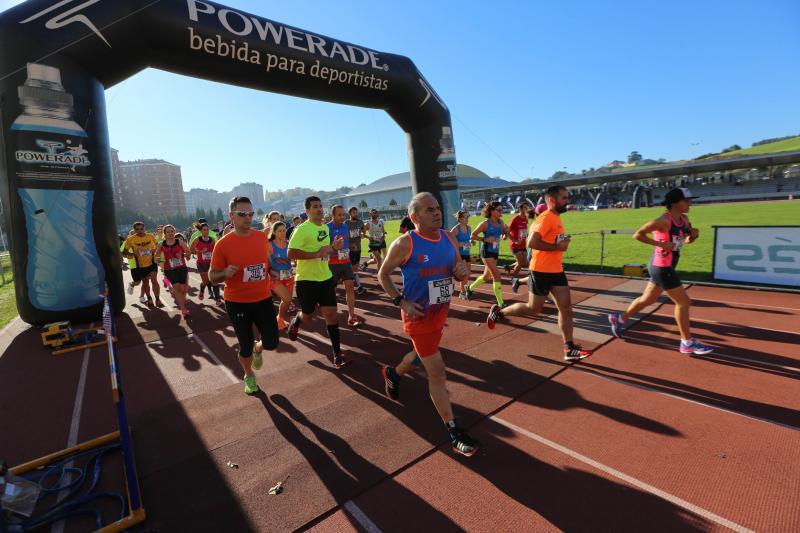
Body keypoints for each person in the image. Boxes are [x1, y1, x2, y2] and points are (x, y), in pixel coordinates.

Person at [378, 192, 480, 457]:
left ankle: (394, 373)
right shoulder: (404, 244)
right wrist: (400, 301)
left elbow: (460, 268)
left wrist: (462, 272)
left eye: (437, 208)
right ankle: (454, 431)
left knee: (423, 356)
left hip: (440, 311)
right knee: (437, 371)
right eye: (429, 209)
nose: (437, 212)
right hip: (418, 315)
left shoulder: (448, 237)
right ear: (414, 217)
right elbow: (383, 274)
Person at [485, 186, 592, 362]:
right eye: (564, 198)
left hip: (556, 270)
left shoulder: (556, 219)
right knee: (533, 309)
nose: (568, 201)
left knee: (566, 308)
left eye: (567, 197)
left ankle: (569, 348)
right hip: (540, 271)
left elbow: (551, 242)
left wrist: (562, 242)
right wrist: (558, 247)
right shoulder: (546, 218)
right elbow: (532, 242)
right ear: (552, 200)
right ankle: (500, 312)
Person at [608, 187, 713, 355]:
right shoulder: (663, 220)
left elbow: (686, 240)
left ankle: (619, 319)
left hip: (666, 265)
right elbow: (638, 235)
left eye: (690, 200)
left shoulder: (684, 220)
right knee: (684, 303)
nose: (690, 203)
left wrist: (693, 235)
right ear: (675, 202)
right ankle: (687, 342)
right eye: (687, 200)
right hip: (661, 266)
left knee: (647, 299)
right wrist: (662, 244)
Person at [209, 196, 279, 395]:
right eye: (242, 214)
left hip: (263, 298)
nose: (248, 218)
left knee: (272, 342)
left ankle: (259, 349)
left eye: (251, 213)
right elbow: (212, 277)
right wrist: (224, 273)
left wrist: (271, 270)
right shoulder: (223, 244)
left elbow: (265, 260)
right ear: (231, 216)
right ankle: (248, 374)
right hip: (237, 302)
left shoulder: (260, 237)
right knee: (245, 345)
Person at [287, 196, 350, 368]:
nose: (320, 209)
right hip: (306, 281)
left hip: (325, 278)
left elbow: (324, 250)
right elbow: (291, 253)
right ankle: (297, 320)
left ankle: (337, 353)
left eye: (321, 206)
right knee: (307, 315)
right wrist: (315, 254)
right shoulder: (301, 229)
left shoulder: (324, 227)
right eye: (315, 206)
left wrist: (333, 247)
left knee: (331, 315)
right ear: (307, 211)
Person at [465, 201, 508, 307]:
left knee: (486, 276)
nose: (500, 212)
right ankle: (501, 304)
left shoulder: (501, 222)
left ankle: (469, 288)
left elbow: (503, 236)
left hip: (495, 251)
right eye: (498, 210)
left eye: (501, 210)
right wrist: (485, 239)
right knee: (497, 275)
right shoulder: (485, 223)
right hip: (486, 252)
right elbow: (472, 235)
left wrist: (506, 233)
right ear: (492, 211)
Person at [328, 205, 365, 326]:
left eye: (343, 214)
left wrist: (350, 247)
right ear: (332, 215)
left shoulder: (345, 226)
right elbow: (323, 248)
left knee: (350, 287)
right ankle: (331, 316)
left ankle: (351, 316)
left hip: (346, 262)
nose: (342, 217)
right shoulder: (327, 228)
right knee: (332, 292)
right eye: (339, 215)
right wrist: (333, 248)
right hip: (332, 264)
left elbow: (346, 241)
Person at [123, 221, 164, 308]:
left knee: (154, 280)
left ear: (144, 228)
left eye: (141, 228)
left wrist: (155, 251)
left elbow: (158, 245)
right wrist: (132, 254)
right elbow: (124, 251)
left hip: (151, 262)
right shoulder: (130, 239)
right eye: (137, 229)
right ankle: (149, 298)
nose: (140, 231)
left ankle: (157, 299)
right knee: (145, 282)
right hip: (140, 264)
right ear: (134, 230)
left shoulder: (150, 236)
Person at [155, 225, 191, 318]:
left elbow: (188, 252)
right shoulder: (161, 244)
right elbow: (156, 256)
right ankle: (183, 310)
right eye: (168, 232)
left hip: (181, 268)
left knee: (184, 289)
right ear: (165, 233)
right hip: (169, 269)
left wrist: (182, 254)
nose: (170, 233)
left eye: (172, 231)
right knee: (177, 288)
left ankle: (182, 301)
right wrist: (158, 260)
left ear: (174, 232)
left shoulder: (180, 242)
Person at [267, 221, 294, 330]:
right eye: (279, 231)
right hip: (275, 278)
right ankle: (275, 320)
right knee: (287, 299)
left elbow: (293, 258)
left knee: (287, 301)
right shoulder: (270, 244)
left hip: (288, 276)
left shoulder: (289, 244)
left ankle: (280, 320)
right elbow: (267, 262)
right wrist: (271, 271)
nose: (283, 233)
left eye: (284, 230)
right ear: (274, 232)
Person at [190, 223, 223, 307]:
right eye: (204, 230)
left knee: (214, 281)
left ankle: (218, 299)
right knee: (206, 281)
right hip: (201, 263)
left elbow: (216, 251)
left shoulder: (212, 240)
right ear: (201, 231)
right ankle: (202, 289)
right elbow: (191, 250)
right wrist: (200, 251)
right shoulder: (197, 239)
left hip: (211, 263)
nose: (206, 231)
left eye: (207, 230)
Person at [506, 200, 532, 293]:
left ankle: (509, 268)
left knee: (525, 263)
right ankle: (514, 279)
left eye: (527, 207)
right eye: (525, 207)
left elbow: (525, 230)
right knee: (521, 263)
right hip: (515, 245)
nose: (527, 209)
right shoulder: (515, 219)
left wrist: (527, 235)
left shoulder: (525, 218)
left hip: (523, 244)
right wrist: (514, 240)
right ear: (520, 208)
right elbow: (507, 231)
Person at [450, 210, 473, 298]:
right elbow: (449, 241)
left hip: (466, 253)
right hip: (458, 254)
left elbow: (468, 239)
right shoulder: (456, 229)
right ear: (460, 219)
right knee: (463, 273)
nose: (467, 219)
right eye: (465, 217)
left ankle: (462, 290)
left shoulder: (469, 228)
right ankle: (462, 292)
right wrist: (459, 244)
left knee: (468, 272)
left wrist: (471, 242)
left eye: (468, 217)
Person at [345, 207, 367, 295]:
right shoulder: (346, 223)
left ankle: (355, 282)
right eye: (353, 212)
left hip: (358, 248)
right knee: (350, 267)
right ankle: (359, 286)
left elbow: (363, 231)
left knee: (355, 268)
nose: (355, 214)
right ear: (350, 213)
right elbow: (343, 235)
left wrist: (363, 234)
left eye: (356, 212)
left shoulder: (360, 222)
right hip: (348, 249)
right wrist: (350, 245)